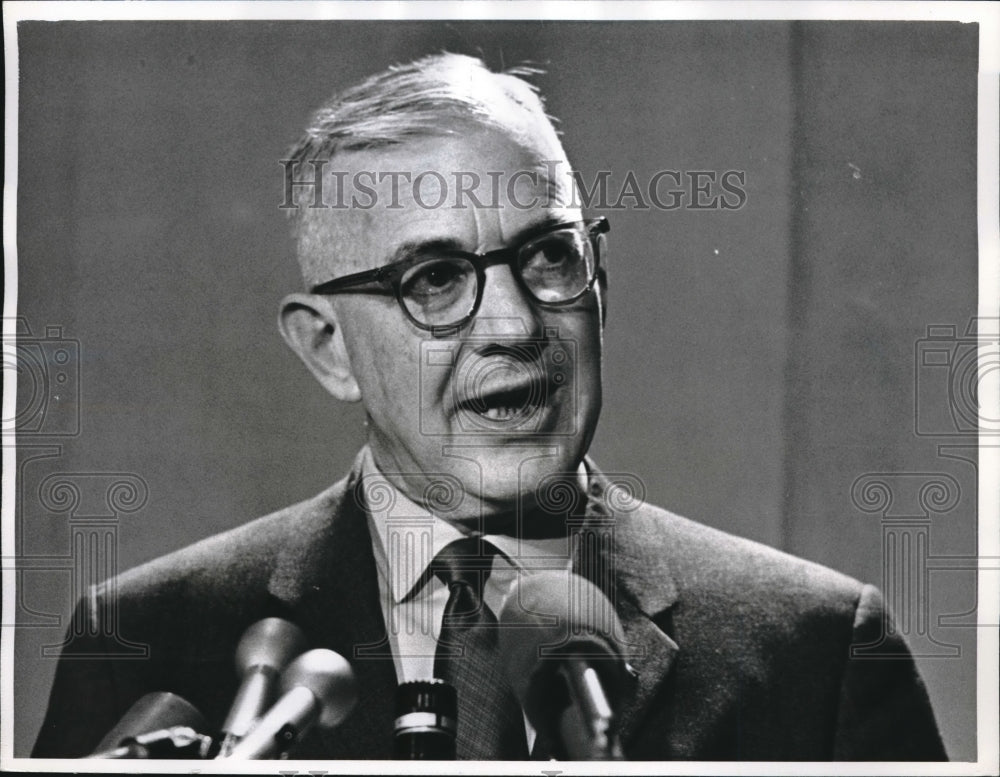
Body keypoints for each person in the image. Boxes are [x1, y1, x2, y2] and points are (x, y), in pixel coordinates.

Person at [32, 52, 946, 761]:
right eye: (434, 279)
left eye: (549, 256)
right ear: (327, 347)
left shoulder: (817, 650)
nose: (514, 325)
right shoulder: (145, 638)